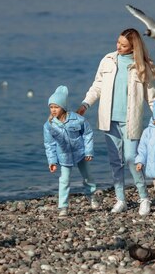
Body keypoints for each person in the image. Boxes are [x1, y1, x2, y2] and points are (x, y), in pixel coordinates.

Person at [77, 28, 155, 215]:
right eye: (118, 43)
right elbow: (97, 86)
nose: (118, 47)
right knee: (115, 161)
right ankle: (120, 199)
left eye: (123, 45)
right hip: (109, 119)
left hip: (131, 121)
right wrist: (85, 105)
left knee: (131, 159)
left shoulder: (143, 66)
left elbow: (151, 95)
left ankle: (144, 197)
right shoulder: (108, 60)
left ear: (133, 47)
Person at [44, 85, 98, 217]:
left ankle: (92, 196)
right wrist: (52, 161)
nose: (53, 110)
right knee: (64, 180)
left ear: (63, 107)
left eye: (56, 107)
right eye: (51, 107)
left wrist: (88, 151)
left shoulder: (77, 119)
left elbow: (87, 134)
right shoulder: (49, 125)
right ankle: (63, 206)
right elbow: (49, 144)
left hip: (80, 153)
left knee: (88, 177)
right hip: (64, 157)